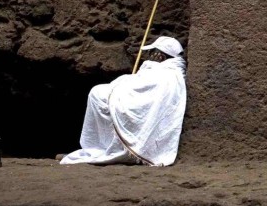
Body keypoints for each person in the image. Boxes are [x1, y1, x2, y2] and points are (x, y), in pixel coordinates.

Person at [60, 36, 187, 166]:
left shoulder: (166, 72)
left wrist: (128, 80)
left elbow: (143, 88)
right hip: (140, 101)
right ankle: (105, 146)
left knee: (97, 93)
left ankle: (109, 148)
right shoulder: (170, 70)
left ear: (160, 56)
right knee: (98, 92)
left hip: (138, 105)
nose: (149, 56)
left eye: (152, 52)